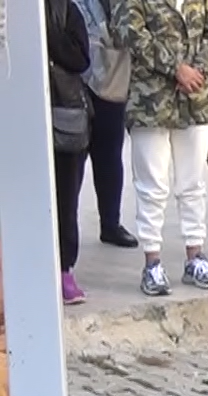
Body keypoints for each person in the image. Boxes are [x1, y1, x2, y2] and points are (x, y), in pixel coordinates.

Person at [114, 0, 208, 295]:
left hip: (194, 99)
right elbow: (129, 30)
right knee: (152, 186)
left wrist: (197, 71)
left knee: (193, 184)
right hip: (150, 102)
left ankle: (195, 256)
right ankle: (152, 261)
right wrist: (176, 69)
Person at [76, 0, 140, 250]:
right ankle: (62, 227)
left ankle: (110, 224)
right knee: (73, 157)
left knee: (110, 155)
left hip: (111, 78)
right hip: (73, 79)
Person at [49, 0, 92, 305]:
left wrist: (47, 34)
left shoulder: (67, 10)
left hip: (64, 118)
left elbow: (80, 59)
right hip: (20, 120)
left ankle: (64, 269)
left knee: (66, 200)